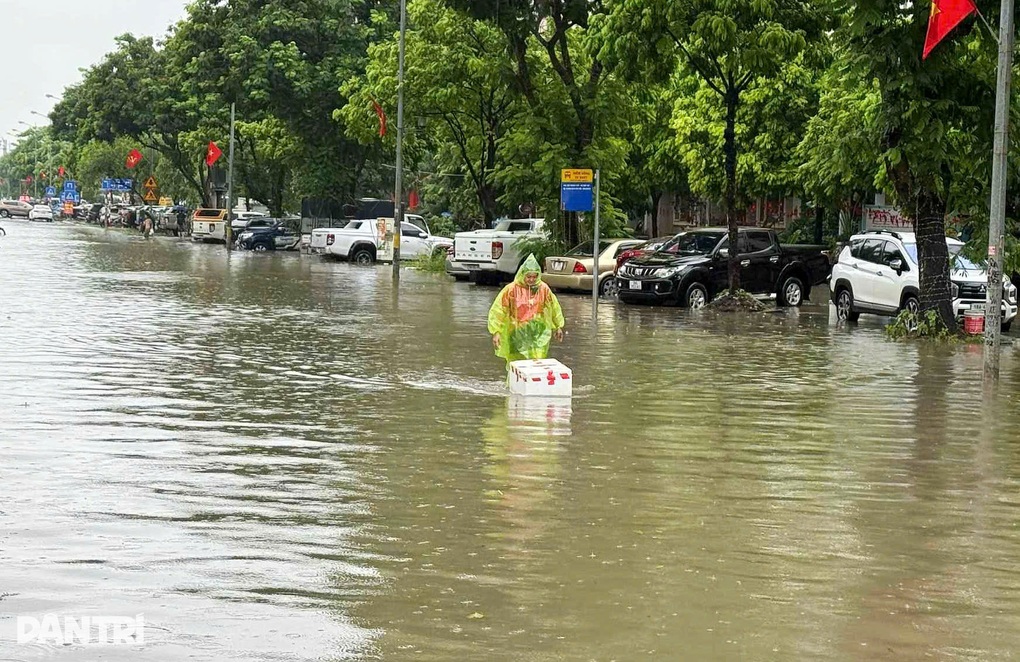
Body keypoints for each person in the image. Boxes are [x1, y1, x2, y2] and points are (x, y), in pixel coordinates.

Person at [488, 254, 565, 369]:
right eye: (529, 277)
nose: (531, 280)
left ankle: (535, 385)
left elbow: (553, 308)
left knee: (537, 362)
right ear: (522, 274)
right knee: (516, 364)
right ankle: (514, 385)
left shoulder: (543, 289)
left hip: (538, 333)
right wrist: (496, 332)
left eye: (534, 277)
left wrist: (558, 326)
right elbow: (499, 310)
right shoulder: (511, 290)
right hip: (516, 332)